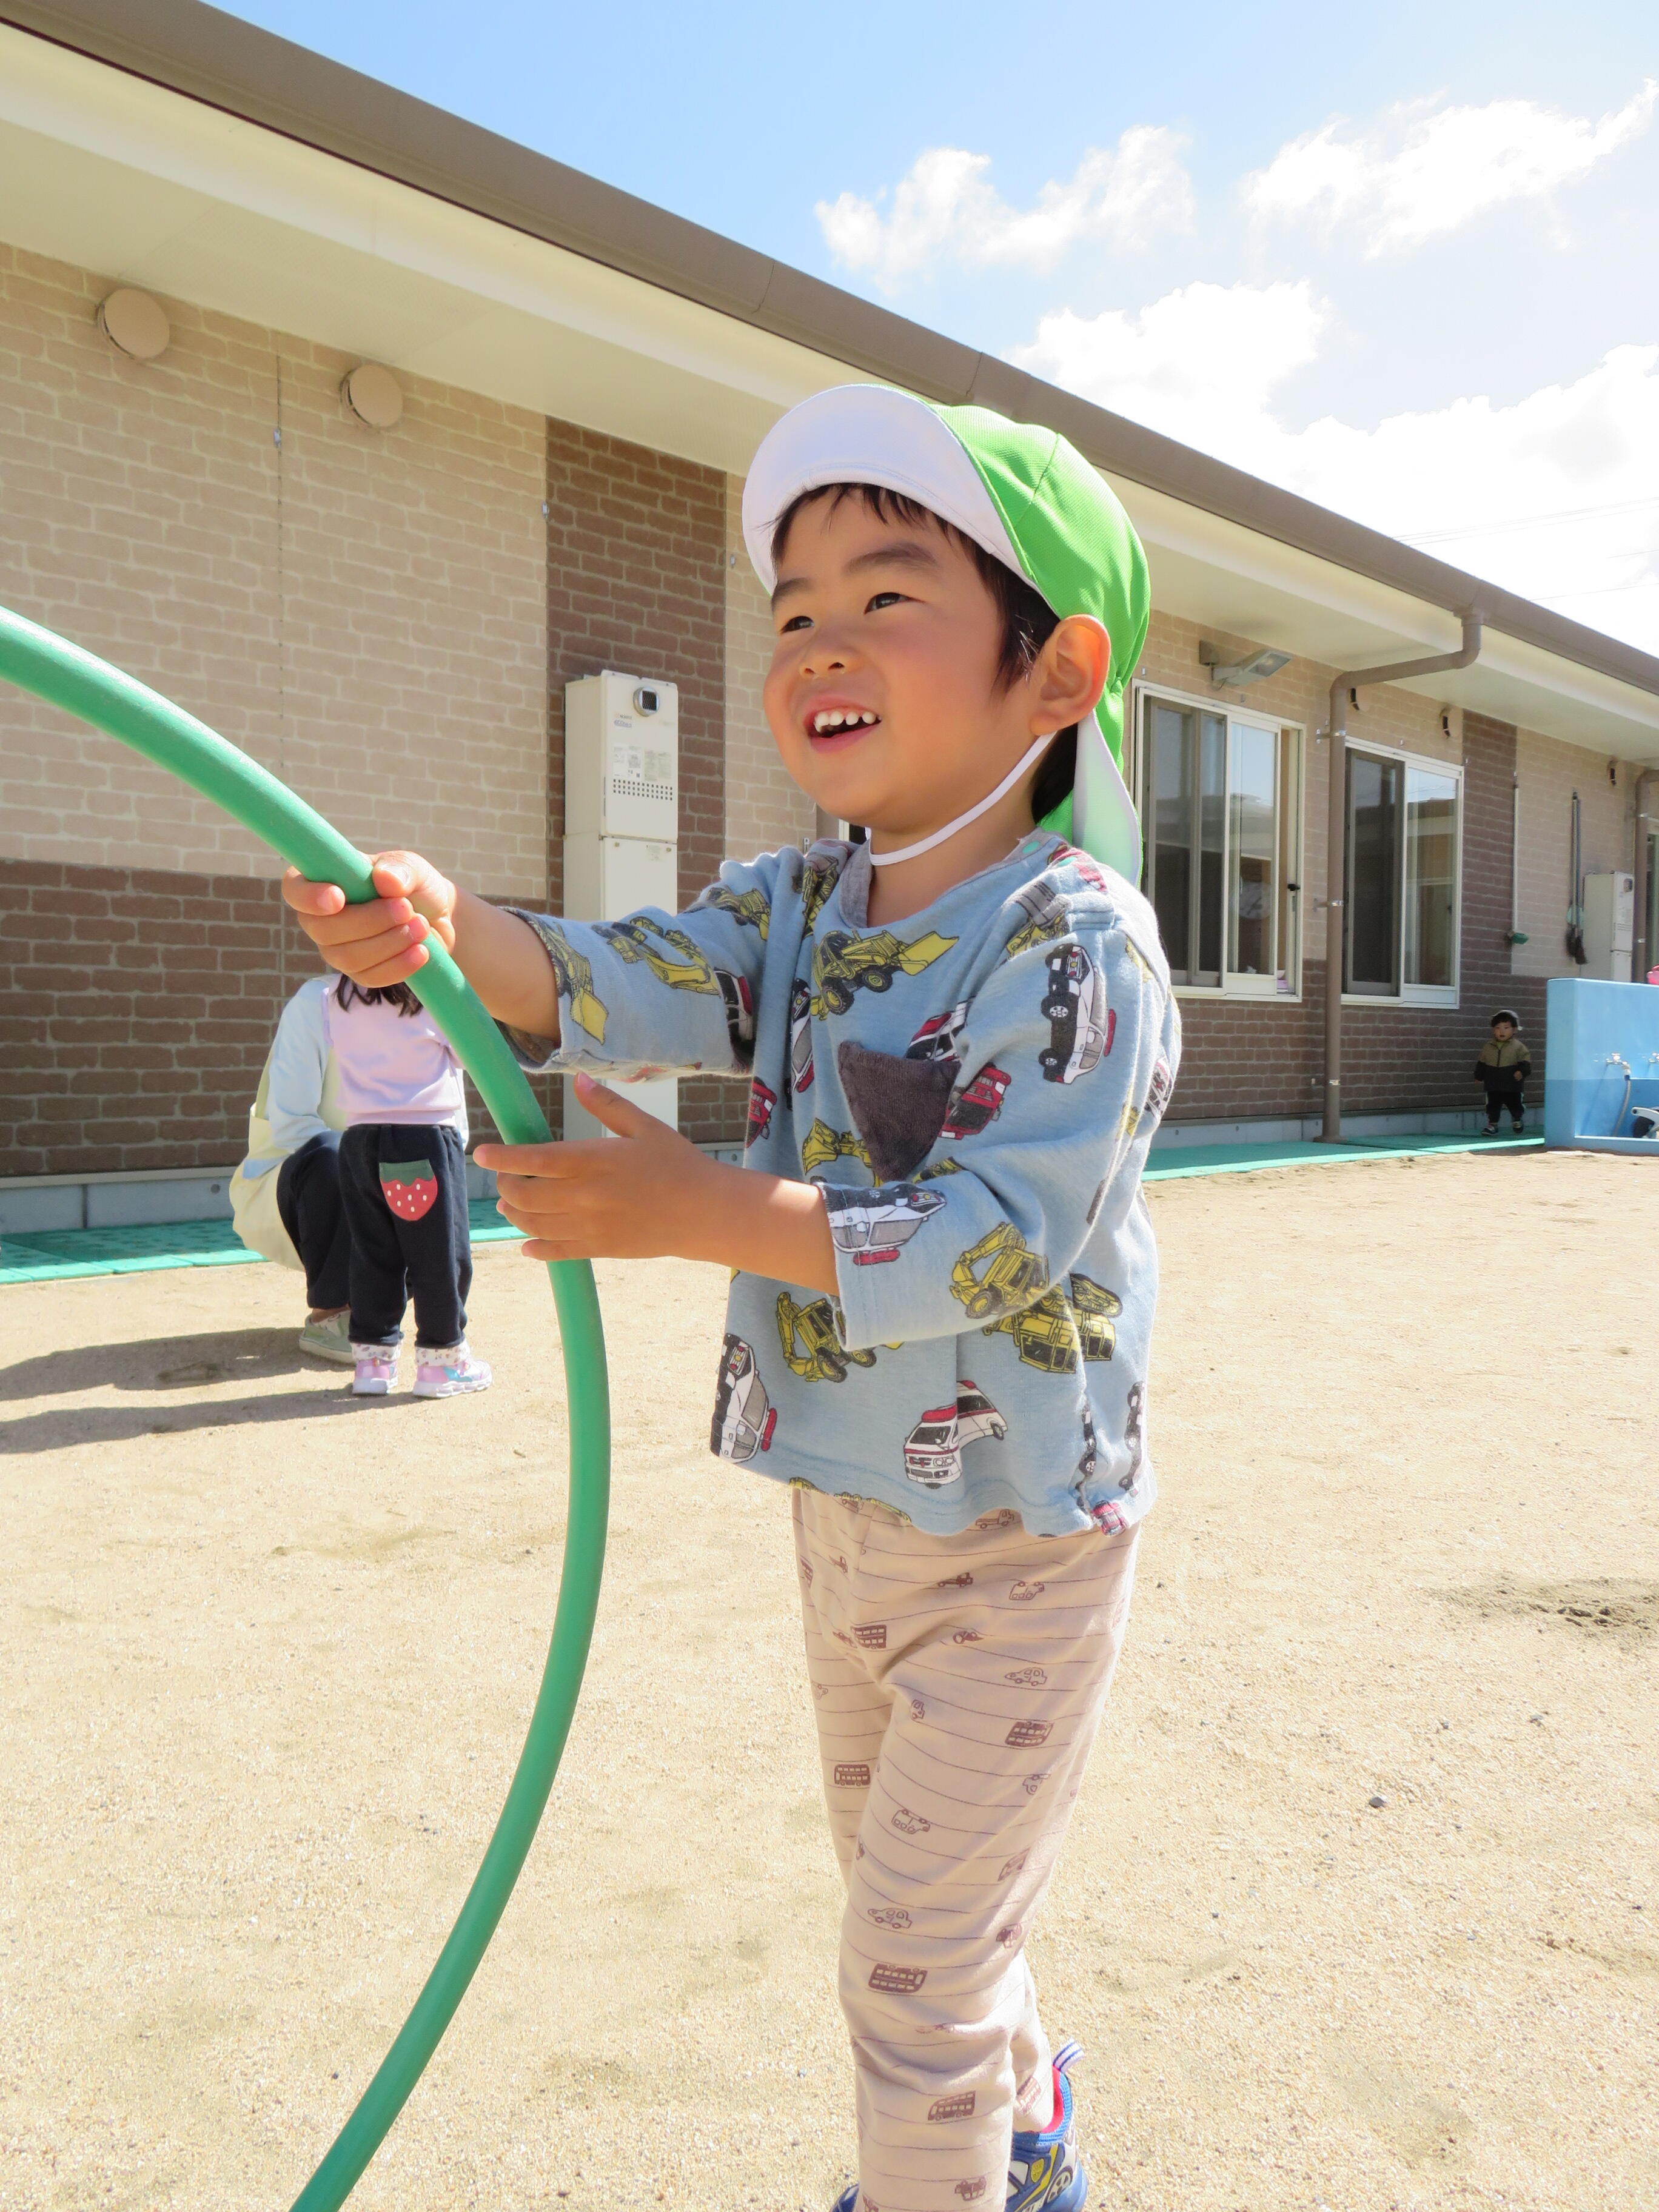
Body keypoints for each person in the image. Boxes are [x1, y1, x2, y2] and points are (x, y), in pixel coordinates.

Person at [284, 385, 1179, 2212]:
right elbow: (602, 977)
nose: (821, 641)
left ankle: (942, 2178)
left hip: (1016, 1537)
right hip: (850, 1513)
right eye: (792, 608)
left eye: (888, 592)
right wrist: (447, 931)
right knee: (916, 1912)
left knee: (905, 1970)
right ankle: (1026, 2146)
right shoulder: (797, 907)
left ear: (1057, 674)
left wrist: (697, 1205)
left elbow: (990, 1240)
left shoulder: (1076, 938)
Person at [325, 975, 491, 1398]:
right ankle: (442, 1361)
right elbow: (466, 1054)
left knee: (372, 1252)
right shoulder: (432, 997)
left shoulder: (335, 998)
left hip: (360, 1139)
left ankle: (373, 1363)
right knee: (438, 1254)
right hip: (423, 1137)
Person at [229, 973, 355, 1364]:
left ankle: (436, 1324)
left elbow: (452, 1128)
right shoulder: (318, 1000)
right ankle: (332, 1313)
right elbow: (293, 1126)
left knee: (434, 1159)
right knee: (334, 1152)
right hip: (301, 1187)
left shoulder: (433, 1008)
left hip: (383, 1187)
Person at [1474, 1007, 1531, 1136]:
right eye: (1498, 1028)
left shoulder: (1518, 1047)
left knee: (1515, 1103)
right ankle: (1492, 1125)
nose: (1501, 1031)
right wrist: (1479, 1075)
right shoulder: (1488, 1046)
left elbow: (1526, 1062)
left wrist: (1521, 1072)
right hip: (1493, 1083)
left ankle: (1517, 1119)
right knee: (1492, 1105)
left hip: (1512, 1083)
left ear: (1514, 1030)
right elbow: (1482, 1062)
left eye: (1506, 1028)